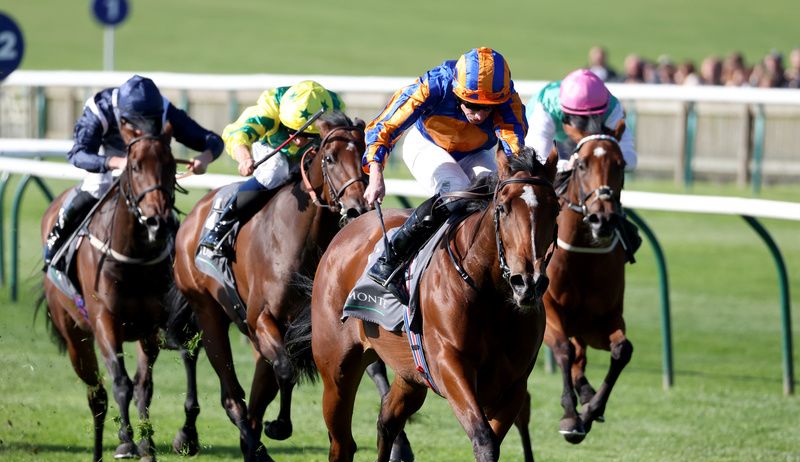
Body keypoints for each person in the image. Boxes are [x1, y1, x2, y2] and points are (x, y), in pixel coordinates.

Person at [362, 47, 528, 302]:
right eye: (472, 105)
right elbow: (386, 124)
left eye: (488, 108)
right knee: (459, 192)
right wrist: (375, 173)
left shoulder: (508, 101)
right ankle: (390, 260)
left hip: (475, 152)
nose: (480, 114)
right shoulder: (435, 84)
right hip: (427, 145)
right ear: (457, 92)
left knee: (494, 196)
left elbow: (515, 150)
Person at [44, 75, 224, 272]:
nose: (143, 129)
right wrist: (116, 162)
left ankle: (177, 262)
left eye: (150, 122)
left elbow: (212, 140)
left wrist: (205, 158)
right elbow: (78, 153)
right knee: (94, 188)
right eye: (136, 123)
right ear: (122, 116)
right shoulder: (100, 109)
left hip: (145, 163)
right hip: (108, 157)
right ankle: (54, 247)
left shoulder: (164, 109)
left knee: (163, 206)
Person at [195, 80, 344, 278]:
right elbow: (236, 133)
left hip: (312, 153)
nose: (298, 140)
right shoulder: (271, 108)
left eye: (307, 134)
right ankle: (222, 226)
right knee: (276, 170)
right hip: (272, 147)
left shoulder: (335, 107)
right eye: (293, 131)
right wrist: (244, 157)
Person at [524, 68, 641, 262]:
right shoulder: (545, 107)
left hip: (593, 148)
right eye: (580, 122)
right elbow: (537, 160)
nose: (586, 127)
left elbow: (630, 159)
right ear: (566, 115)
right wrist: (569, 164)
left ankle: (623, 237)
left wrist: (600, 161)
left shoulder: (612, 108)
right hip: (548, 144)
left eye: (592, 119)